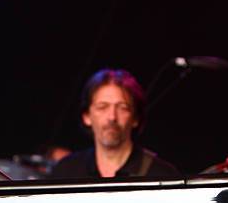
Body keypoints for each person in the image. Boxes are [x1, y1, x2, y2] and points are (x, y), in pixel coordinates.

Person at [51, 69, 180, 178]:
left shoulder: (162, 175)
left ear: (135, 118)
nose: (112, 117)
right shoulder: (66, 171)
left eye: (122, 107)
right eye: (102, 107)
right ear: (87, 117)